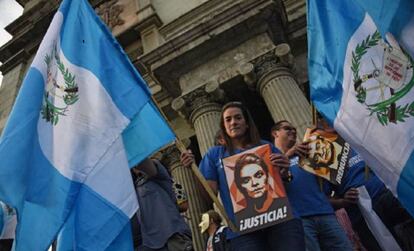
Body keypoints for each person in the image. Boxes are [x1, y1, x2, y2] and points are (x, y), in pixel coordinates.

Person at [181, 102, 305, 251]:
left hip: (282, 223)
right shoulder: (214, 155)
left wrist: (285, 172)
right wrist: (193, 170)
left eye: (238, 118)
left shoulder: (267, 147)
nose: (233, 122)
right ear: (223, 126)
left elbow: (285, 186)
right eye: (228, 119)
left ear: (246, 123)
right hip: (243, 231)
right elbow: (209, 195)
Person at [271, 120, 352, 251]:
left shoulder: (309, 155)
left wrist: (343, 200)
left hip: (326, 215)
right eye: (287, 128)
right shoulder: (271, 159)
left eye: (294, 129)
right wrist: (288, 154)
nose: (293, 131)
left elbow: (325, 191)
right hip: (299, 221)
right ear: (275, 133)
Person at [329, 150, 414, 251]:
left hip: (384, 194)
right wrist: (343, 201)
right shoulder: (321, 159)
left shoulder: (353, 140)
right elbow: (321, 199)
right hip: (361, 213)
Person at [132, 158, 193, 251]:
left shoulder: (154, 178)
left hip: (169, 240)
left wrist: (129, 152)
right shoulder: (127, 194)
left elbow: (144, 163)